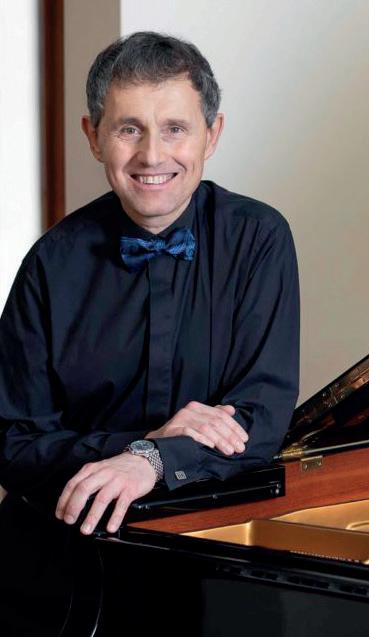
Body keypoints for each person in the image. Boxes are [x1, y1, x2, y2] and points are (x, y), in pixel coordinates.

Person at [0, 31, 299, 635]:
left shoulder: (259, 240)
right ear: (93, 136)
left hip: (219, 565)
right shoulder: (51, 263)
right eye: (129, 129)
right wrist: (145, 443)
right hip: (64, 566)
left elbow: (261, 418)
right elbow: (13, 443)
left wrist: (151, 461)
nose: (152, 155)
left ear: (212, 135)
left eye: (175, 128)